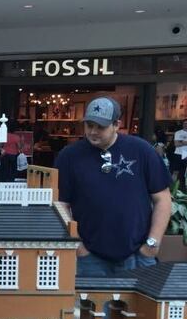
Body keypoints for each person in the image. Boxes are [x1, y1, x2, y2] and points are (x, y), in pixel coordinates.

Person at [55, 97, 172, 277]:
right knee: (87, 297)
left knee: (142, 297)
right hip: (88, 257)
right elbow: (60, 204)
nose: (93, 132)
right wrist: (77, 245)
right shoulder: (69, 156)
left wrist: (152, 243)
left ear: (116, 125)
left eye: (100, 127)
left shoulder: (142, 150)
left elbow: (162, 198)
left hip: (137, 254)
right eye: (89, 125)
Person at [173, 119, 187, 185]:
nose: (186, 125)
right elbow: (176, 144)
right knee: (176, 171)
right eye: (185, 123)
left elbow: (179, 143)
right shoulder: (178, 133)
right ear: (182, 124)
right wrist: (185, 142)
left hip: (186, 153)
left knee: (184, 172)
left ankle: (182, 186)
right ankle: (172, 186)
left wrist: (181, 142)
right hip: (178, 153)